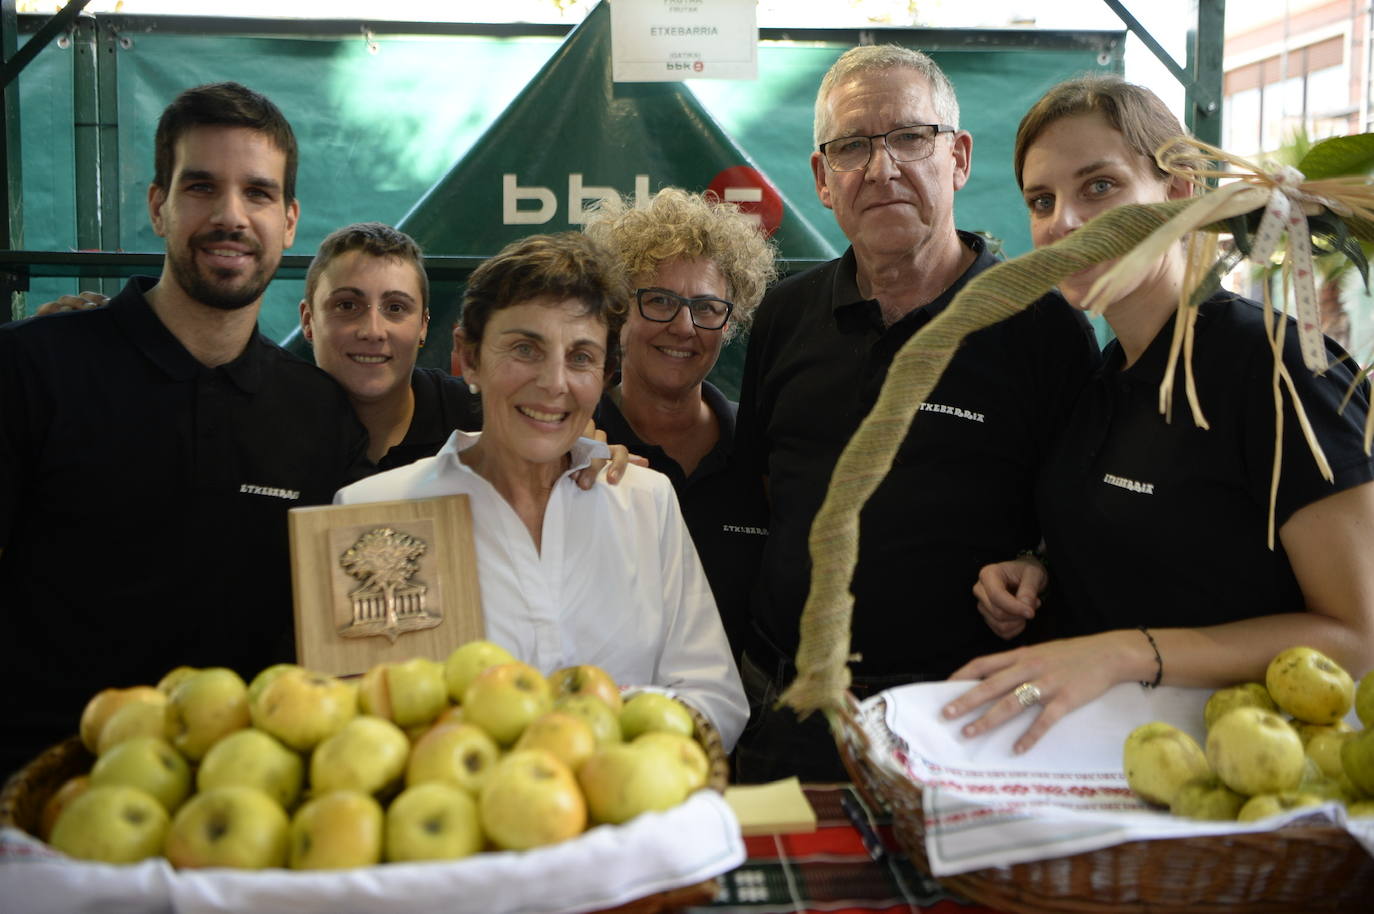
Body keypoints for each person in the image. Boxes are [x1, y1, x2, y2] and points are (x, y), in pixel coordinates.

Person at [945, 75, 1374, 753]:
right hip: (1107, 762)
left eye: (1100, 186)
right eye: (1042, 200)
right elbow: (1175, 554)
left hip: (1241, 772)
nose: (1065, 223)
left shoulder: (1279, 368)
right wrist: (1044, 572)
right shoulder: (1100, 380)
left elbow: (1357, 638)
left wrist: (1124, 653)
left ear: (1179, 192)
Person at [731, 45, 1101, 782]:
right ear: (822, 178)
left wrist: (1036, 564)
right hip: (789, 715)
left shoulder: (1043, 328)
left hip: (967, 724)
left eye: (909, 137)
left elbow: (1081, 522)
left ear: (959, 158)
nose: (881, 168)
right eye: (852, 147)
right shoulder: (782, 315)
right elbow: (762, 488)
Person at [0, 82, 372, 777]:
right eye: (201, 187)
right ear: (157, 206)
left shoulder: (321, 414)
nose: (231, 216)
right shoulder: (30, 371)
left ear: (289, 221)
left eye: (258, 193)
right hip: (44, 801)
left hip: (250, 797)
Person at [335, 232, 748, 749]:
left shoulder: (646, 500)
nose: (554, 382)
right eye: (526, 348)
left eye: (580, 357)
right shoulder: (375, 514)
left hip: (628, 817)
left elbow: (715, 698)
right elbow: (357, 734)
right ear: (469, 356)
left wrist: (607, 748)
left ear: (603, 376)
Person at [582, 187, 776, 658]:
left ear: (730, 324)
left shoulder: (764, 449)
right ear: (616, 309)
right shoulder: (574, 446)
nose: (685, 327)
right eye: (661, 301)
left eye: (707, 307)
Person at [298, 221, 481, 468]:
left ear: (423, 325)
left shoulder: (481, 420)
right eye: (347, 306)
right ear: (308, 320)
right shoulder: (262, 423)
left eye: (396, 308)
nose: (373, 331)